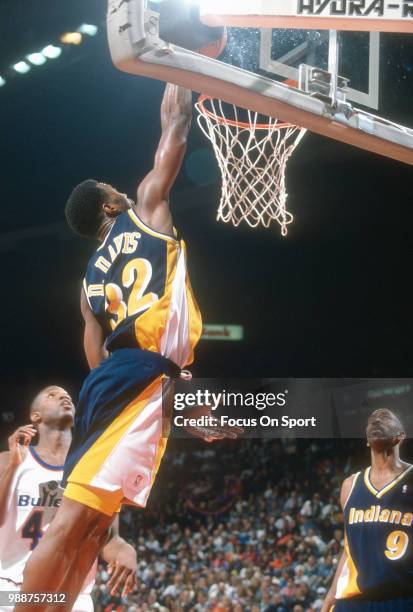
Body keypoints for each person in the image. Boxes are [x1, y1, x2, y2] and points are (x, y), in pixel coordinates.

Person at [17, 84, 240, 611]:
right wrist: (180, 72)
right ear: (111, 201)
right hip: (139, 376)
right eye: (114, 187)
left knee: (92, 528)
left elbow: (95, 358)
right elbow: (177, 129)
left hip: (121, 378)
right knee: (73, 521)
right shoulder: (146, 210)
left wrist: (155, 388)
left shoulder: (88, 282)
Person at [0, 386, 137, 611]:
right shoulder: (8, 461)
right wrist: (12, 467)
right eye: (52, 395)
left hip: (70, 597)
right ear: (36, 416)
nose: (63, 396)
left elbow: (109, 537)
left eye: (67, 396)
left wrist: (124, 550)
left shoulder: (95, 469)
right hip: (11, 591)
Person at [322, 408, 413, 612]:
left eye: (386, 418)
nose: (377, 420)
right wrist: (332, 592)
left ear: (400, 437)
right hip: (355, 601)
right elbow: (349, 548)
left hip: (403, 597)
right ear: (366, 440)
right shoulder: (350, 485)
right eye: (372, 421)